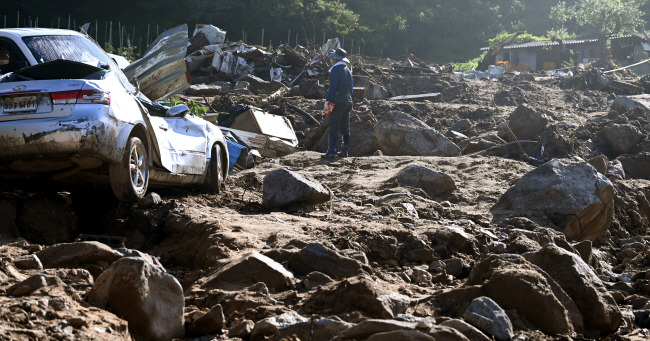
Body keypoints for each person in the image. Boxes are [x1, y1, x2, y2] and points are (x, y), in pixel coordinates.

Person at [322, 48, 353, 158]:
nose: (331, 59)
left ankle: (331, 151)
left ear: (335, 59)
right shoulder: (348, 70)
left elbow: (332, 87)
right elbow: (351, 89)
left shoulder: (335, 70)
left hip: (337, 101)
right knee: (345, 127)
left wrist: (328, 100)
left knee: (334, 126)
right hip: (348, 101)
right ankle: (345, 151)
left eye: (332, 58)